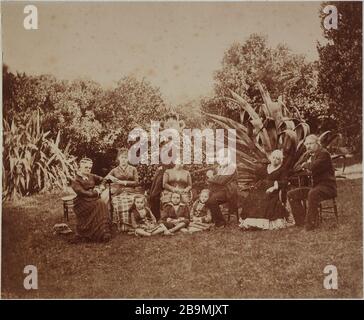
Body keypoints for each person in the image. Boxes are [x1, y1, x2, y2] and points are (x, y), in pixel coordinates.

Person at [287, 134, 337, 231]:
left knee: (313, 193)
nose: (308, 146)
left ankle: (310, 226)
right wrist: (304, 163)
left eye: (311, 143)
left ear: (317, 143)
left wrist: (304, 164)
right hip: (315, 187)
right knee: (291, 194)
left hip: (328, 187)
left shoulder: (324, 154)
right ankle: (301, 222)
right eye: (306, 144)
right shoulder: (308, 155)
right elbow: (295, 168)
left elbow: (313, 166)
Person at [239, 149, 289, 230]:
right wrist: (255, 186)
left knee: (265, 200)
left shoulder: (282, 170)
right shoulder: (264, 168)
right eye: (273, 157)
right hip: (261, 189)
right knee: (252, 198)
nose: (275, 160)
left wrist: (273, 187)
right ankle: (251, 223)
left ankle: (261, 224)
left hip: (273, 191)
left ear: (280, 161)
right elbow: (257, 179)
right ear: (270, 158)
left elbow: (284, 182)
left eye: (277, 159)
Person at [70, 158, 111, 242]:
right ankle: (94, 232)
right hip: (81, 202)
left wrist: (102, 186)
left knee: (101, 203)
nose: (88, 169)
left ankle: (103, 231)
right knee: (100, 203)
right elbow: (83, 193)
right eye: (86, 167)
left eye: (89, 168)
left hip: (92, 199)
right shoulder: (75, 180)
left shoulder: (91, 176)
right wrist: (97, 192)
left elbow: (103, 179)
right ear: (80, 168)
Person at [101, 148, 141, 231]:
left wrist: (124, 182)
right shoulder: (114, 170)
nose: (123, 160)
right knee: (119, 202)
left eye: (125, 158)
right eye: (122, 157)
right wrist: (104, 184)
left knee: (134, 201)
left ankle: (135, 223)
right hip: (119, 192)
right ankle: (122, 225)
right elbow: (104, 179)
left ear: (128, 159)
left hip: (131, 191)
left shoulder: (133, 169)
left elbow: (137, 182)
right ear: (118, 158)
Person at [205, 148, 238, 228]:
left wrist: (211, 177)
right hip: (219, 190)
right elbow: (214, 178)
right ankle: (212, 219)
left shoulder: (231, 167)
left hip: (228, 191)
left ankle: (221, 222)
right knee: (205, 197)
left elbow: (221, 180)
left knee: (212, 200)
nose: (220, 159)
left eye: (223, 157)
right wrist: (210, 174)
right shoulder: (220, 167)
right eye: (219, 157)